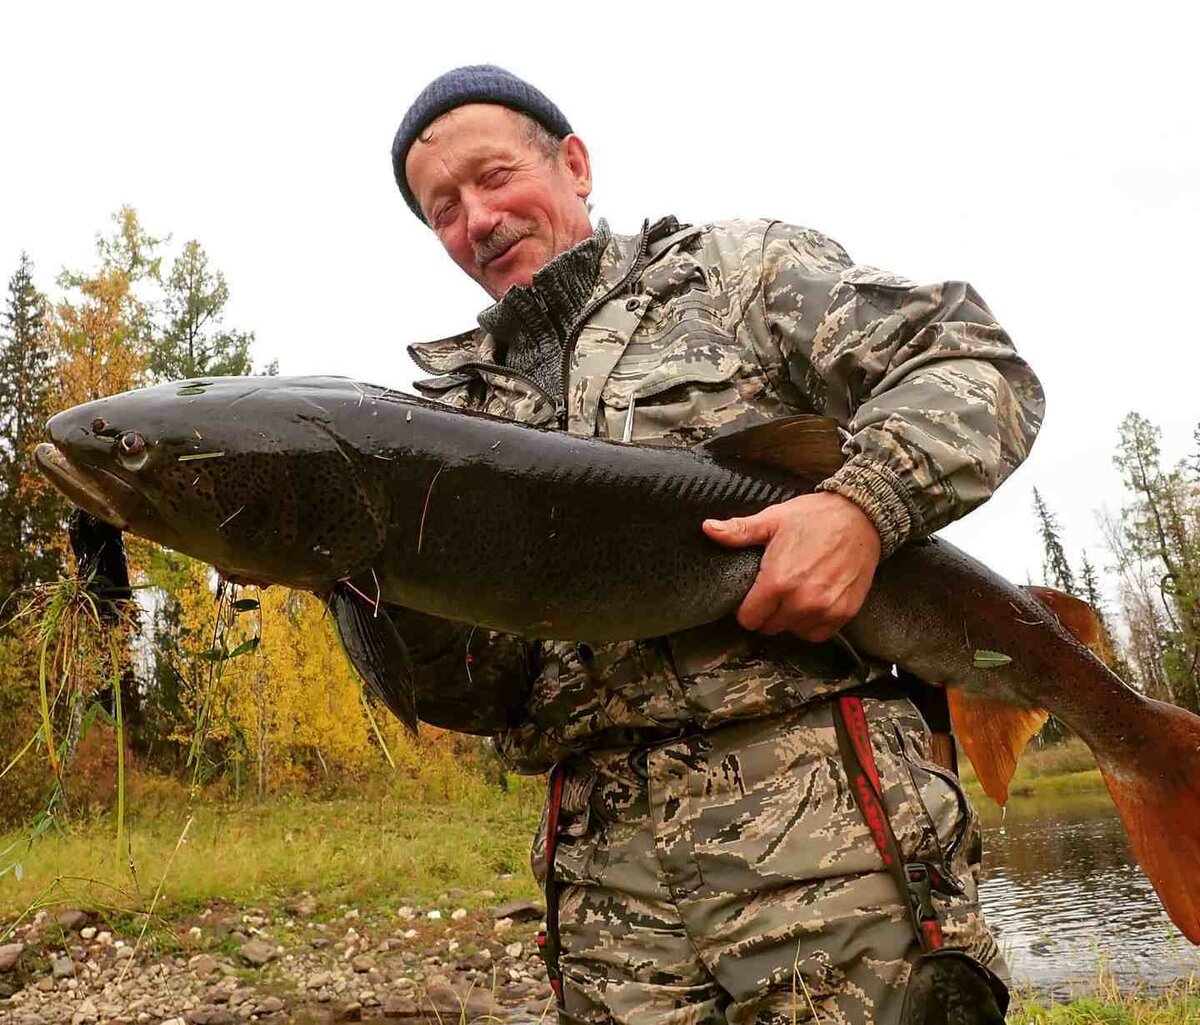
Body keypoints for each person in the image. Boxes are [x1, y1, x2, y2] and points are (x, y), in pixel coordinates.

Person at [389, 64, 1043, 1024]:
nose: (476, 220)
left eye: (493, 177)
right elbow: (480, 691)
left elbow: (974, 361)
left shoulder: (736, 273)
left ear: (574, 163)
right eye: (442, 208)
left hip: (830, 837)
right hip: (607, 893)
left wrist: (864, 505)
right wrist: (359, 579)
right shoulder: (449, 418)